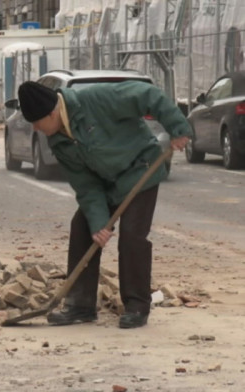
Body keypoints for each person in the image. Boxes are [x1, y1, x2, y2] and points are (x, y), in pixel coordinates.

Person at [17, 80, 191, 329]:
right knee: (82, 227)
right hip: (106, 185)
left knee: (132, 236)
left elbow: (149, 95)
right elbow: (86, 185)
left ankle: (136, 306)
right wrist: (98, 222)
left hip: (140, 171)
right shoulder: (58, 140)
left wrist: (177, 128)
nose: (35, 128)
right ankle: (80, 305)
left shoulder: (97, 99)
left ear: (52, 112)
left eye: (36, 122)